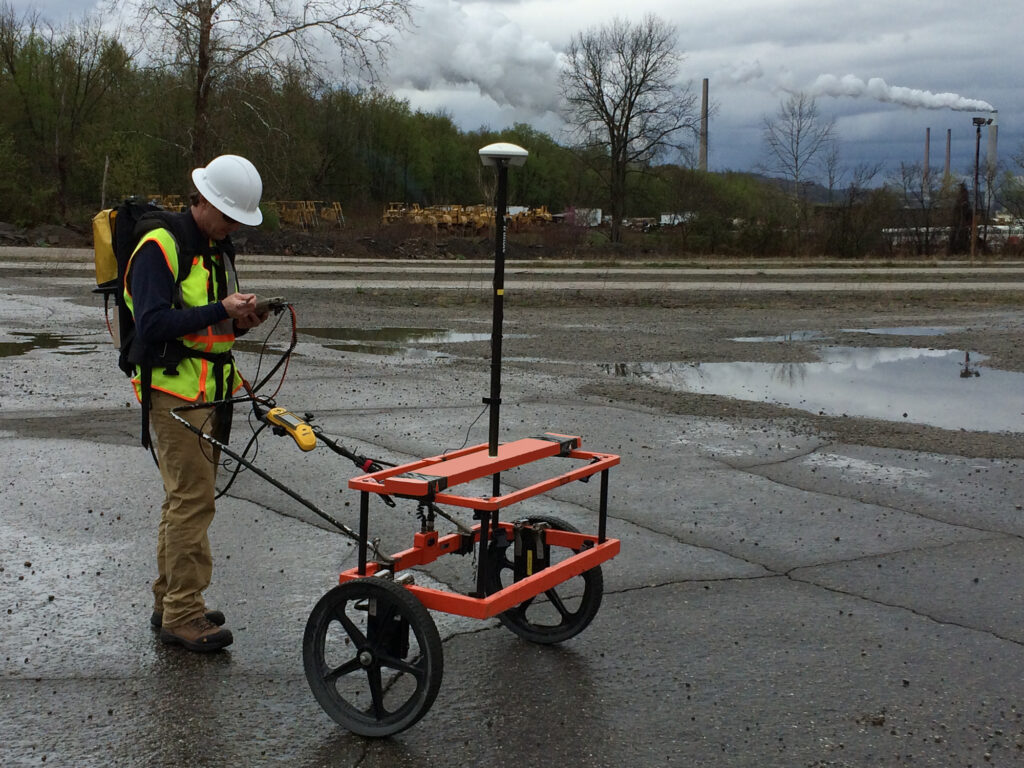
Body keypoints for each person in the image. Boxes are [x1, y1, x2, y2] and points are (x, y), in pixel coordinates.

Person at [124, 154, 267, 652]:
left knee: (182, 499)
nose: (233, 227)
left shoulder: (216, 248)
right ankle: (183, 615)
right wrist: (219, 309)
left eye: (239, 221)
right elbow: (152, 324)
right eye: (228, 217)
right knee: (193, 502)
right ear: (202, 200)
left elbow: (208, 325)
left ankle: (171, 601)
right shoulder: (159, 246)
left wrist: (238, 321)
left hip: (209, 391)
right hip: (174, 392)